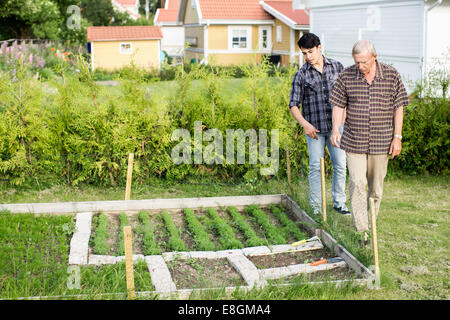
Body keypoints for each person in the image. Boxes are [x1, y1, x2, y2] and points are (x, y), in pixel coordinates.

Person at [329, 39, 409, 245]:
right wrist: (335, 128)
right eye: (357, 62)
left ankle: (370, 224)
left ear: (375, 57)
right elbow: (338, 104)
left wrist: (397, 136)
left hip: (381, 141)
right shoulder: (346, 75)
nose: (360, 67)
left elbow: (398, 107)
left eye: (364, 62)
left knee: (375, 188)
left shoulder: (391, 75)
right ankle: (362, 231)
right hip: (354, 139)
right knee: (357, 182)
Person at [289, 33, 350, 216]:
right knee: (315, 166)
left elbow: (346, 97)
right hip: (314, 130)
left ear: (319, 47)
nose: (308, 57)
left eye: (310, 52)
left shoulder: (337, 67)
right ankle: (316, 206)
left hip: (336, 127)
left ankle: (339, 202)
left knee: (340, 164)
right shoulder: (301, 74)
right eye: (304, 54)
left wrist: (341, 122)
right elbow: (293, 105)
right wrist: (305, 125)